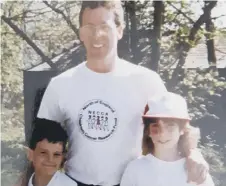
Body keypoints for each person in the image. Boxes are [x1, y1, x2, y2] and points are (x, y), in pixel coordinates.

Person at [37, 1, 209, 186]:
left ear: (119, 30)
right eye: (89, 27)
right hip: (74, 182)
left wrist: (193, 154)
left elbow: (176, 125)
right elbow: (38, 145)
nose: (97, 35)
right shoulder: (60, 84)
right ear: (80, 33)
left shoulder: (147, 81)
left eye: (105, 26)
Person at [120, 92, 214, 186]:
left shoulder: (195, 170)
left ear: (182, 130)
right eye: (155, 126)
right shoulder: (135, 169)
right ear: (148, 131)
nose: (162, 133)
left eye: (170, 126)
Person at [23, 119, 77, 186]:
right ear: (30, 154)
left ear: (62, 157)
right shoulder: (24, 182)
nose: (50, 159)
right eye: (43, 153)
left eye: (56, 154)